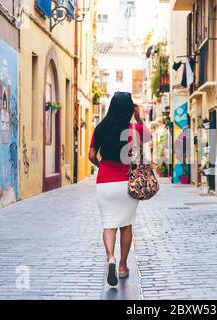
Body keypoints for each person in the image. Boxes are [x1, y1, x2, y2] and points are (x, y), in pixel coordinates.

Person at [89, 92, 151, 287]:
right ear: (128, 109)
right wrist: (138, 116)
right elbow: (148, 136)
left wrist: (102, 166)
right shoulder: (133, 129)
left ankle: (111, 258)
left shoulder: (101, 128)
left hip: (105, 183)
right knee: (126, 225)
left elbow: (92, 154)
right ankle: (123, 266)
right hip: (126, 184)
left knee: (109, 224)